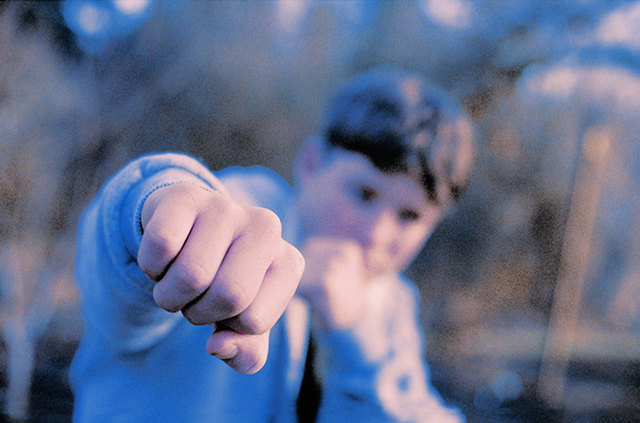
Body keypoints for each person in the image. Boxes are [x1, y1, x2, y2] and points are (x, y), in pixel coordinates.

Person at [70, 67, 473, 422]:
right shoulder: (248, 208)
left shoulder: (393, 303)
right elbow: (117, 262)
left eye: (410, 216)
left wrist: (358, 343)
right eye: (364, 193)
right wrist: (152, 204)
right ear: (312, 164)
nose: (377, 234)